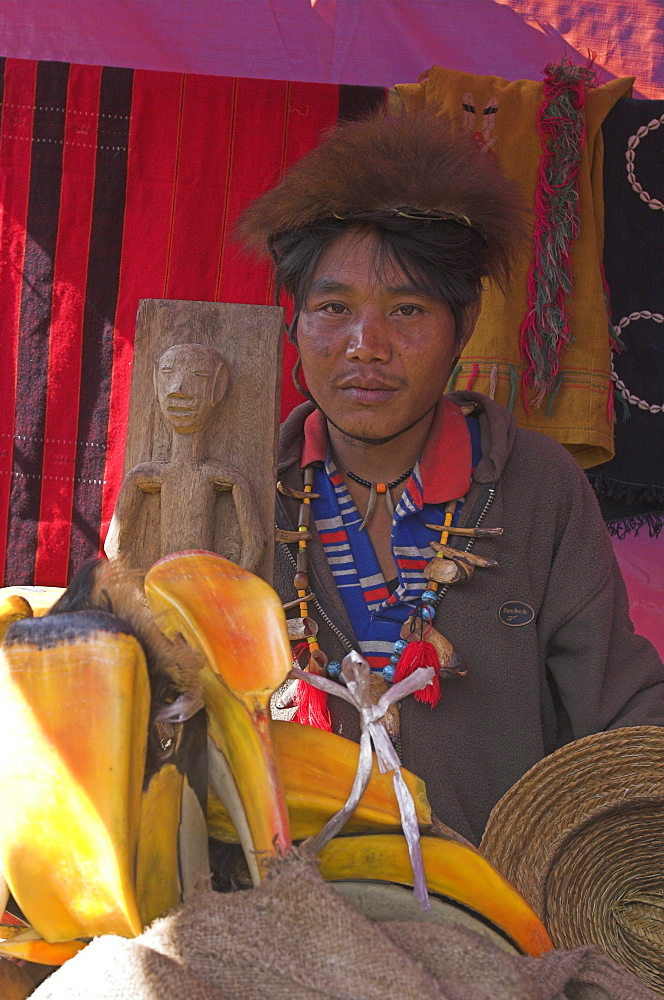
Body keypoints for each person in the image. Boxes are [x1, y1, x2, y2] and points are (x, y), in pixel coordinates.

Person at [239, 108, 664, 845]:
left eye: (406, 310)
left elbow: (621, 713)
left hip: (495, 916)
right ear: (293, 324)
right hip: (278, 906)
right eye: (332, 309)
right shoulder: (243, 487)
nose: (364, 347)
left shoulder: (537, 487)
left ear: (463, 327)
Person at [105, 342, 265, 572]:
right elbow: (113, 546)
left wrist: (225, 593)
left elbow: (255, 544)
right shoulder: (141, 477)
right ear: (155, 381)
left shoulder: (229, 479)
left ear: (218, 388)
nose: (177, 388)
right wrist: (140, 596)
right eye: (167, 373)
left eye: (198, 375)